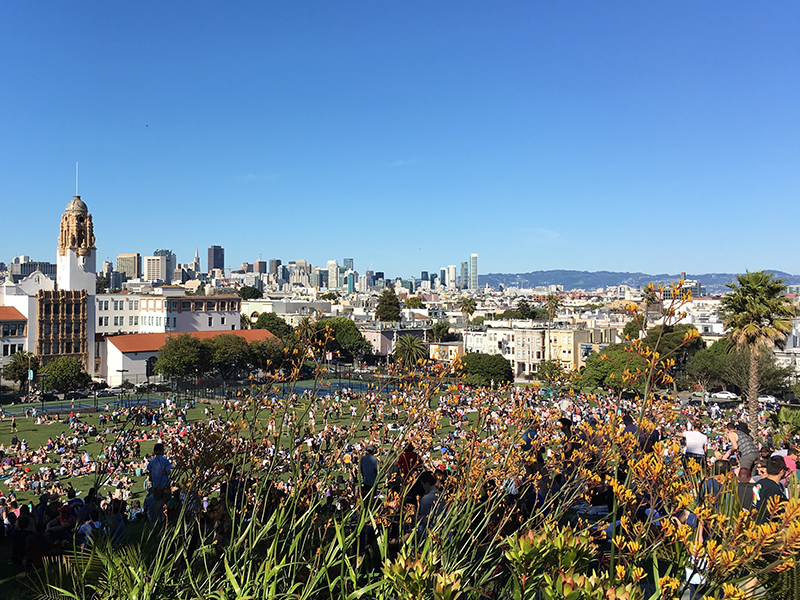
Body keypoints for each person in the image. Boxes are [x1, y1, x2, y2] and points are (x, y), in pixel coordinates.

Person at [755, 455, 788, 525]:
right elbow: (772, 512)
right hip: (766, 527)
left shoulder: (759, 483)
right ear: (782, 471)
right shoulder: (774, 489)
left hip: (754, 522)